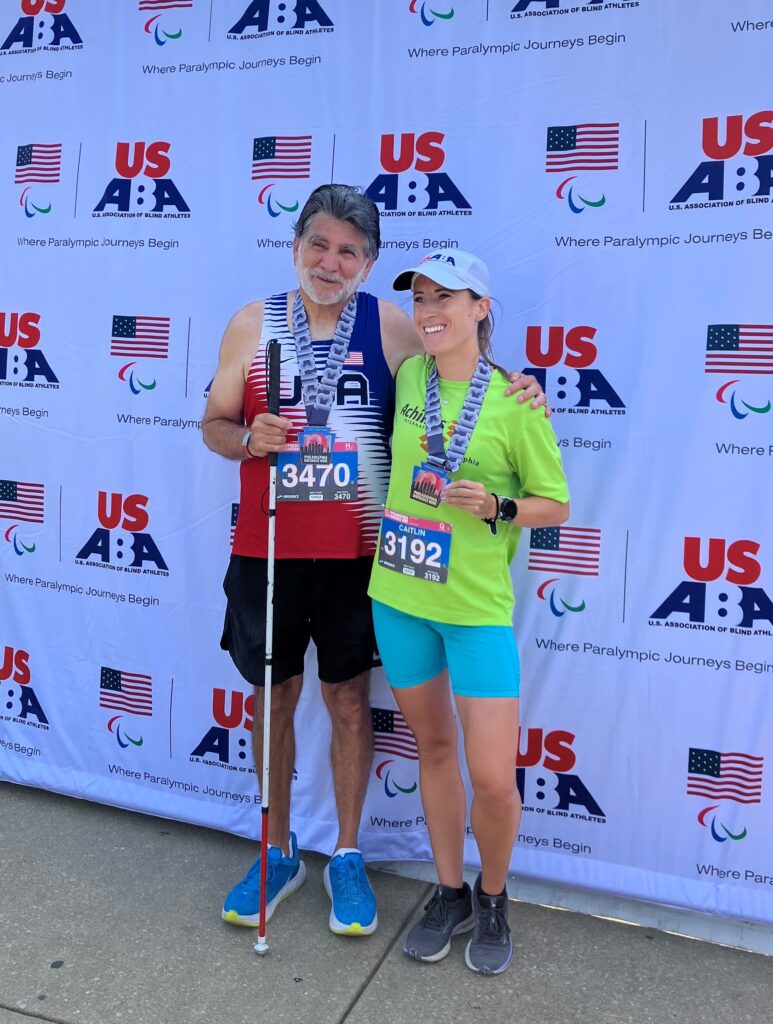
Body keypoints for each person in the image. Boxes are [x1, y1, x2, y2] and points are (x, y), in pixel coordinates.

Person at [201, 185, 548, 938]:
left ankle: (348, 855)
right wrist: (244, 439)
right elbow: (213, 424)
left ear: (369, 261)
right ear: (296, 246)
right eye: (319, 245)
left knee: (350, 702)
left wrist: (523, 384)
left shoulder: (390, 324)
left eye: (350, 251)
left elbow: (461, 368)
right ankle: (276, 848)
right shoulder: (251, 324)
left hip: (364, 553)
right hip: (268, 548)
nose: (332, 262)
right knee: (274, 698)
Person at [368, 249, 570, 975]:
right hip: (397, 597)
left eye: (444, 297)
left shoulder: (516, 403)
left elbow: (556, 502)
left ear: (481, 308)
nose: (428, 310)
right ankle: (447, 891)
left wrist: (497, 505)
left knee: (491, 776)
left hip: (475, 610)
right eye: (420, 296)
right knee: (432, 751)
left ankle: (492, 895)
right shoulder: (408, 372)